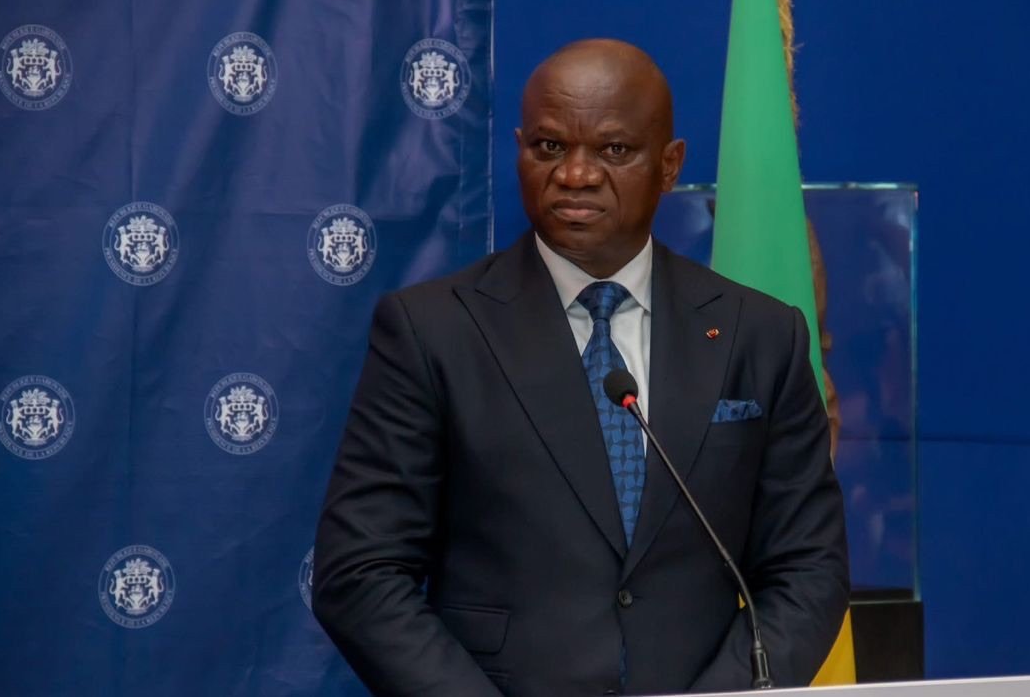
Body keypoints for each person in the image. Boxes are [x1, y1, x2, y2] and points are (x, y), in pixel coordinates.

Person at [313, 38, 848, 697]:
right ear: (519, 150)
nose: (575, 175)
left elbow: (808, 568)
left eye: (614, 150)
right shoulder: (431, 331)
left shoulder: (758, 335)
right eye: (549, 146)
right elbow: (361, 573)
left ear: (670, 165)